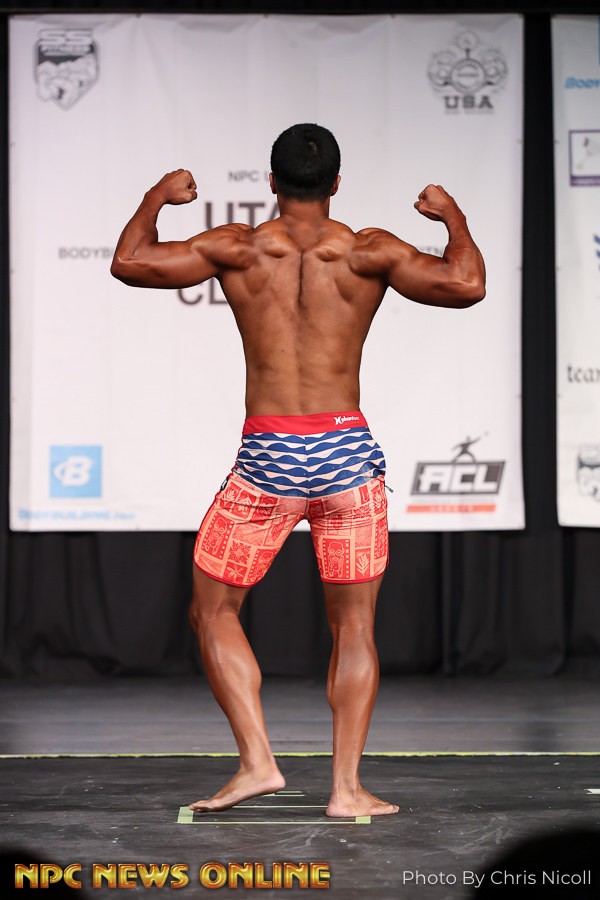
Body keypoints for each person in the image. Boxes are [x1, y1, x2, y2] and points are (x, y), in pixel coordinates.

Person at [111, 123, 485, 817]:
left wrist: (157, 196)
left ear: (271, 183)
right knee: (355, 628)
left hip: (270, 457)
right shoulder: (369, 250)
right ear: (336, 183)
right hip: (347, 455)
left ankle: (258, 762)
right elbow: (467, 284)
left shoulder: (239, 247)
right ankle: (346, 790)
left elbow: (130, 262)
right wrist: (451, 217)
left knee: (212, 610)